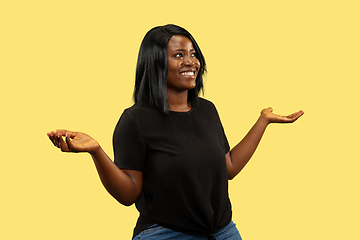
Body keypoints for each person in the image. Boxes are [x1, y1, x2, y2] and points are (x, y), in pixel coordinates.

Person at [47, 24, 304, 240]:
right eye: (179, 55)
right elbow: (129, 194)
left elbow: (228, 167)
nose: (191, 61)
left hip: (223, 232)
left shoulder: (207, 110)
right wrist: (96, 151)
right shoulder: (135, 120)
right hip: (167, 234)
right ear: (156, 62)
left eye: (193, 54)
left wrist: (262, 122)